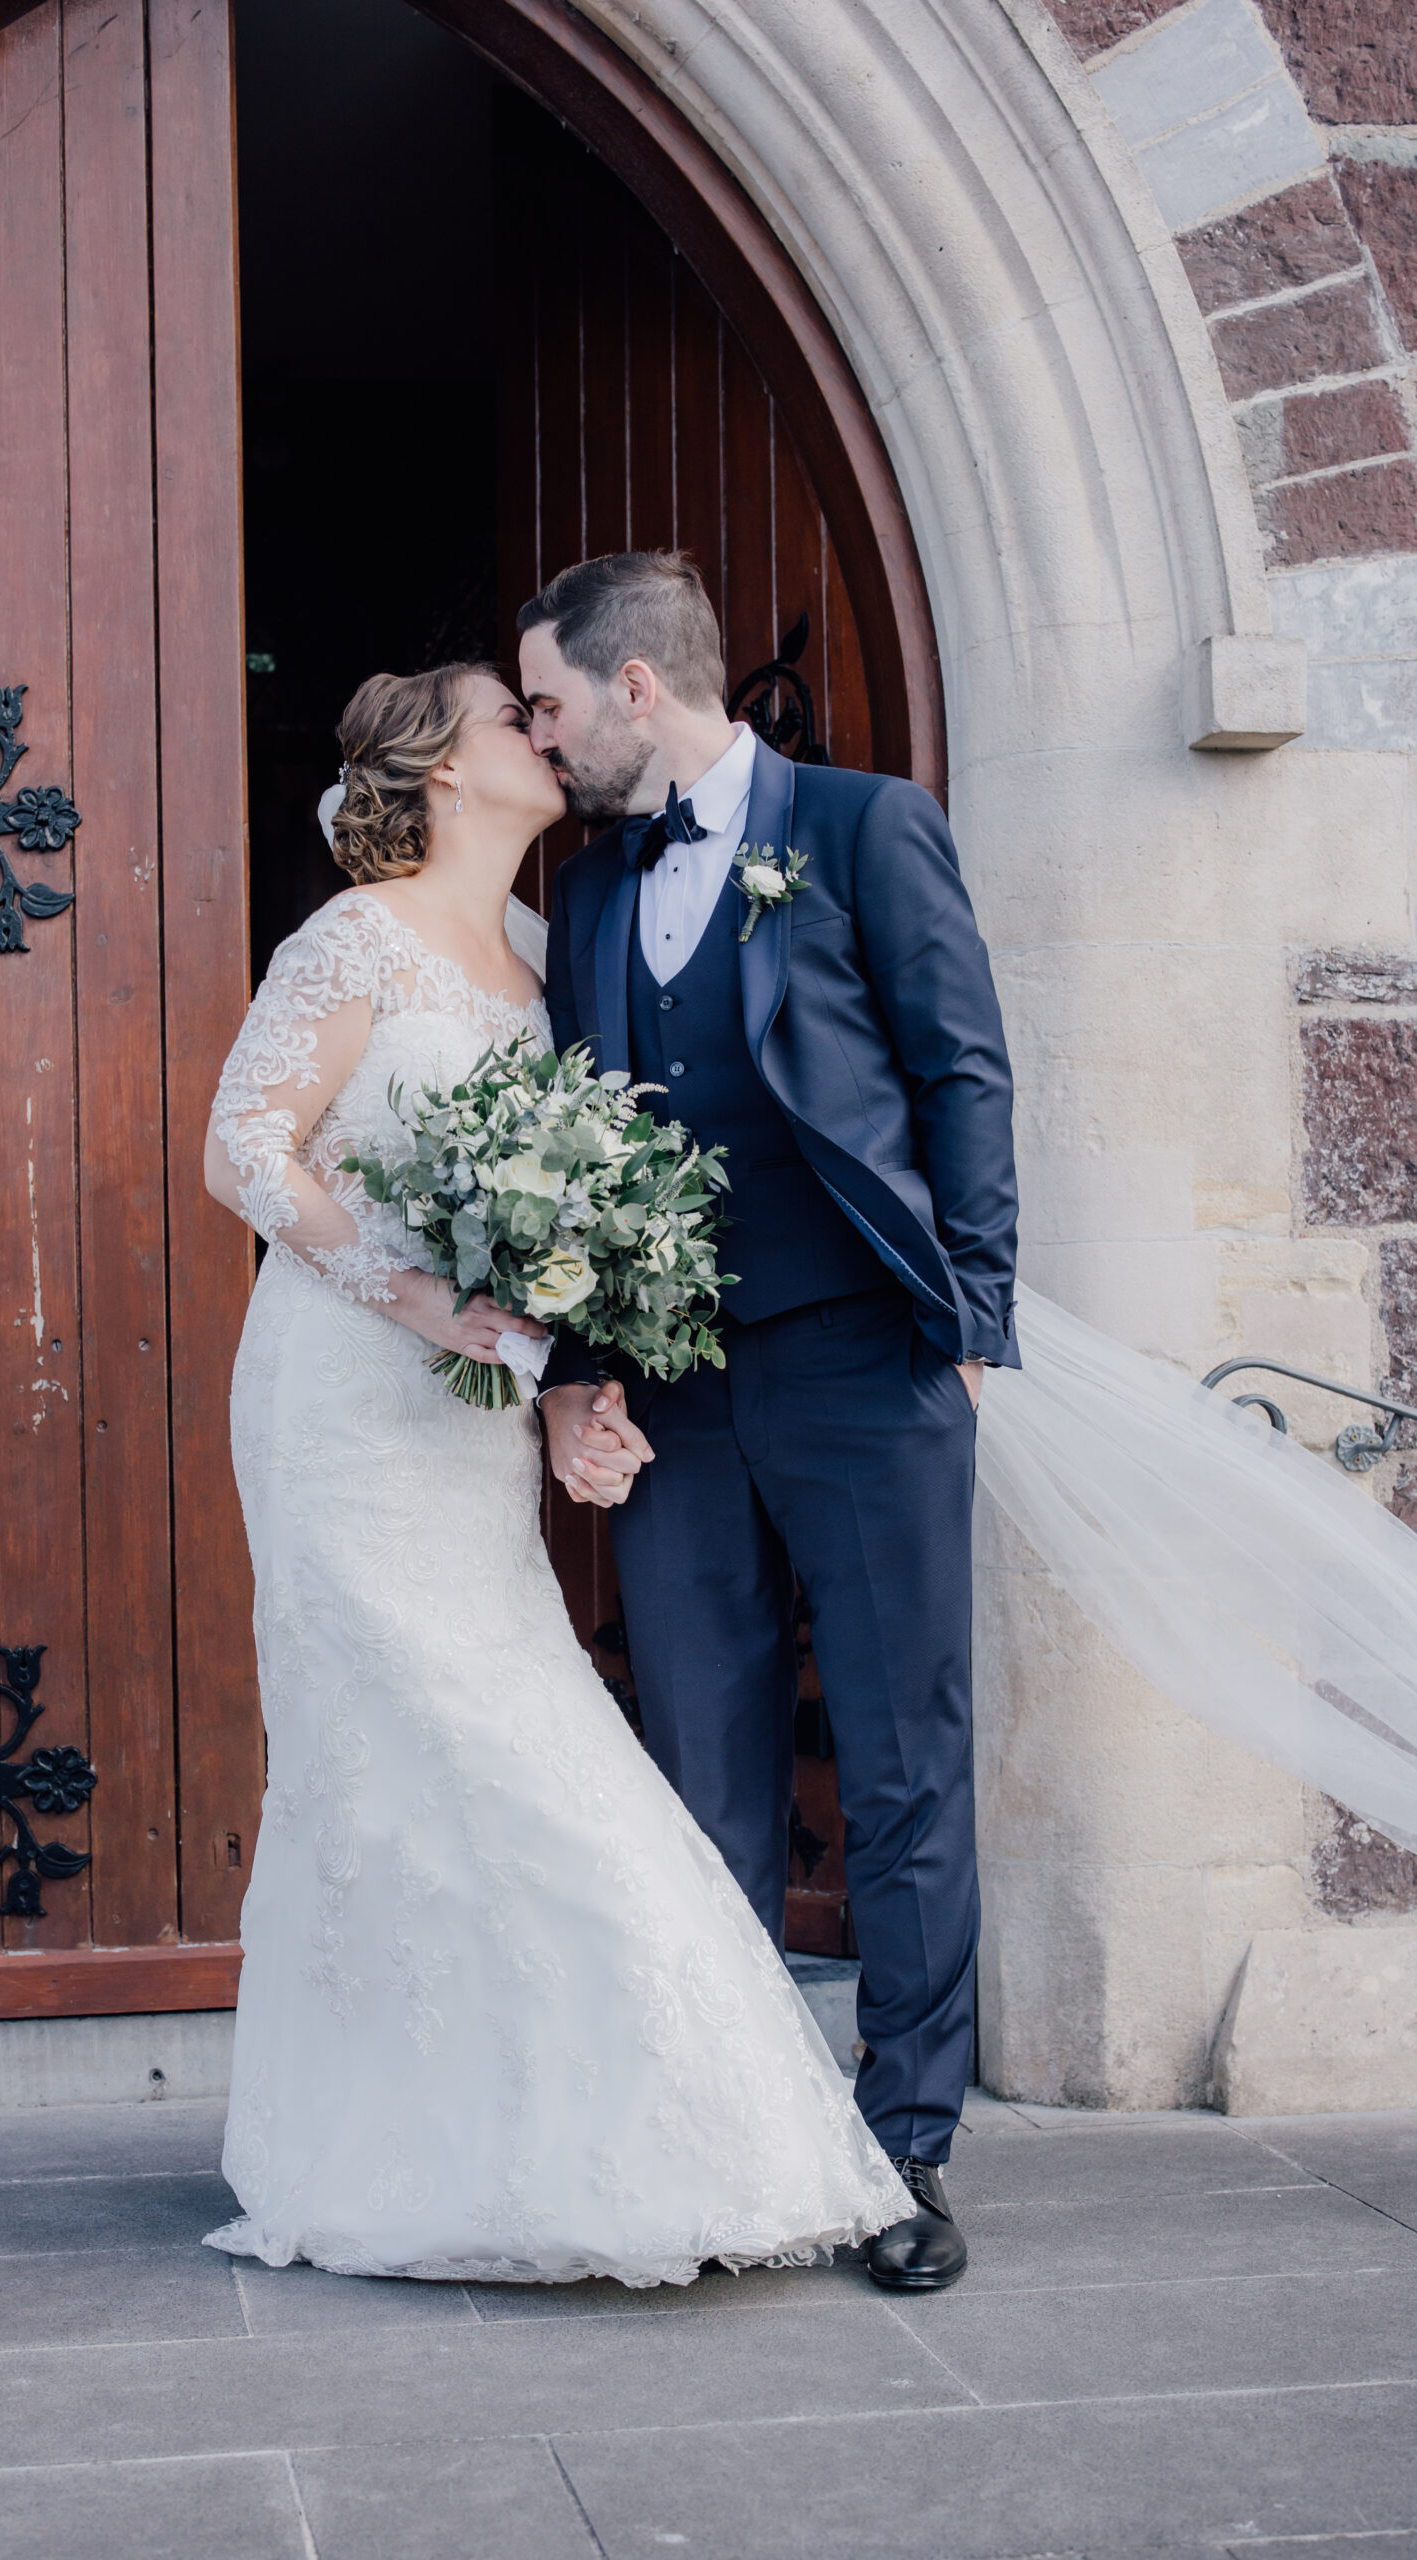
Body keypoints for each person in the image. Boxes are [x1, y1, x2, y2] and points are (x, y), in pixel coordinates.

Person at [200, 660, 910, 2289]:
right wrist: (424, 1296)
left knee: (484, 1728)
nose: (545, 729)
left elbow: (547, 1232)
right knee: (412, 1749)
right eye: (507, 715)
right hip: (337, 1407)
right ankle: (423, 2139)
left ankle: (568, 2121)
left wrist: (555, 1389)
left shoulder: (535, 954)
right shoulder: (353, 937)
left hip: (465, 1421)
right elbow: (244, 1148)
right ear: (443, 771)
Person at [521, 552, 1020, 2291]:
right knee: (704, 1767)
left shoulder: (869, 826)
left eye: (555, 702)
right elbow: (576, 1129)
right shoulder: (586, 894)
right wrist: (579, 1361)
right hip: (672, 1394)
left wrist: (972, 1311)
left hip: (862, 1361)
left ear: (637, 688)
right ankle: (740, 2146)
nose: (543, 734)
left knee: (898, 1765)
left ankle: (907, 2153)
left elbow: (962, 1066)